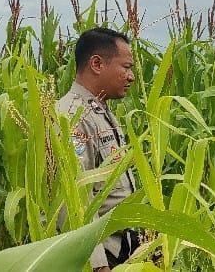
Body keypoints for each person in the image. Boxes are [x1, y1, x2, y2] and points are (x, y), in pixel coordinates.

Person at [56, 27, 139, 271]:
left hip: (122, 248)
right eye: (126, 67)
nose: (131, 76)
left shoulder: (101, 112)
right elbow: (75, 198)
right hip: (102, 254)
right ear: (97, 64)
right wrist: (98, 265)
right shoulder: (72, 117)